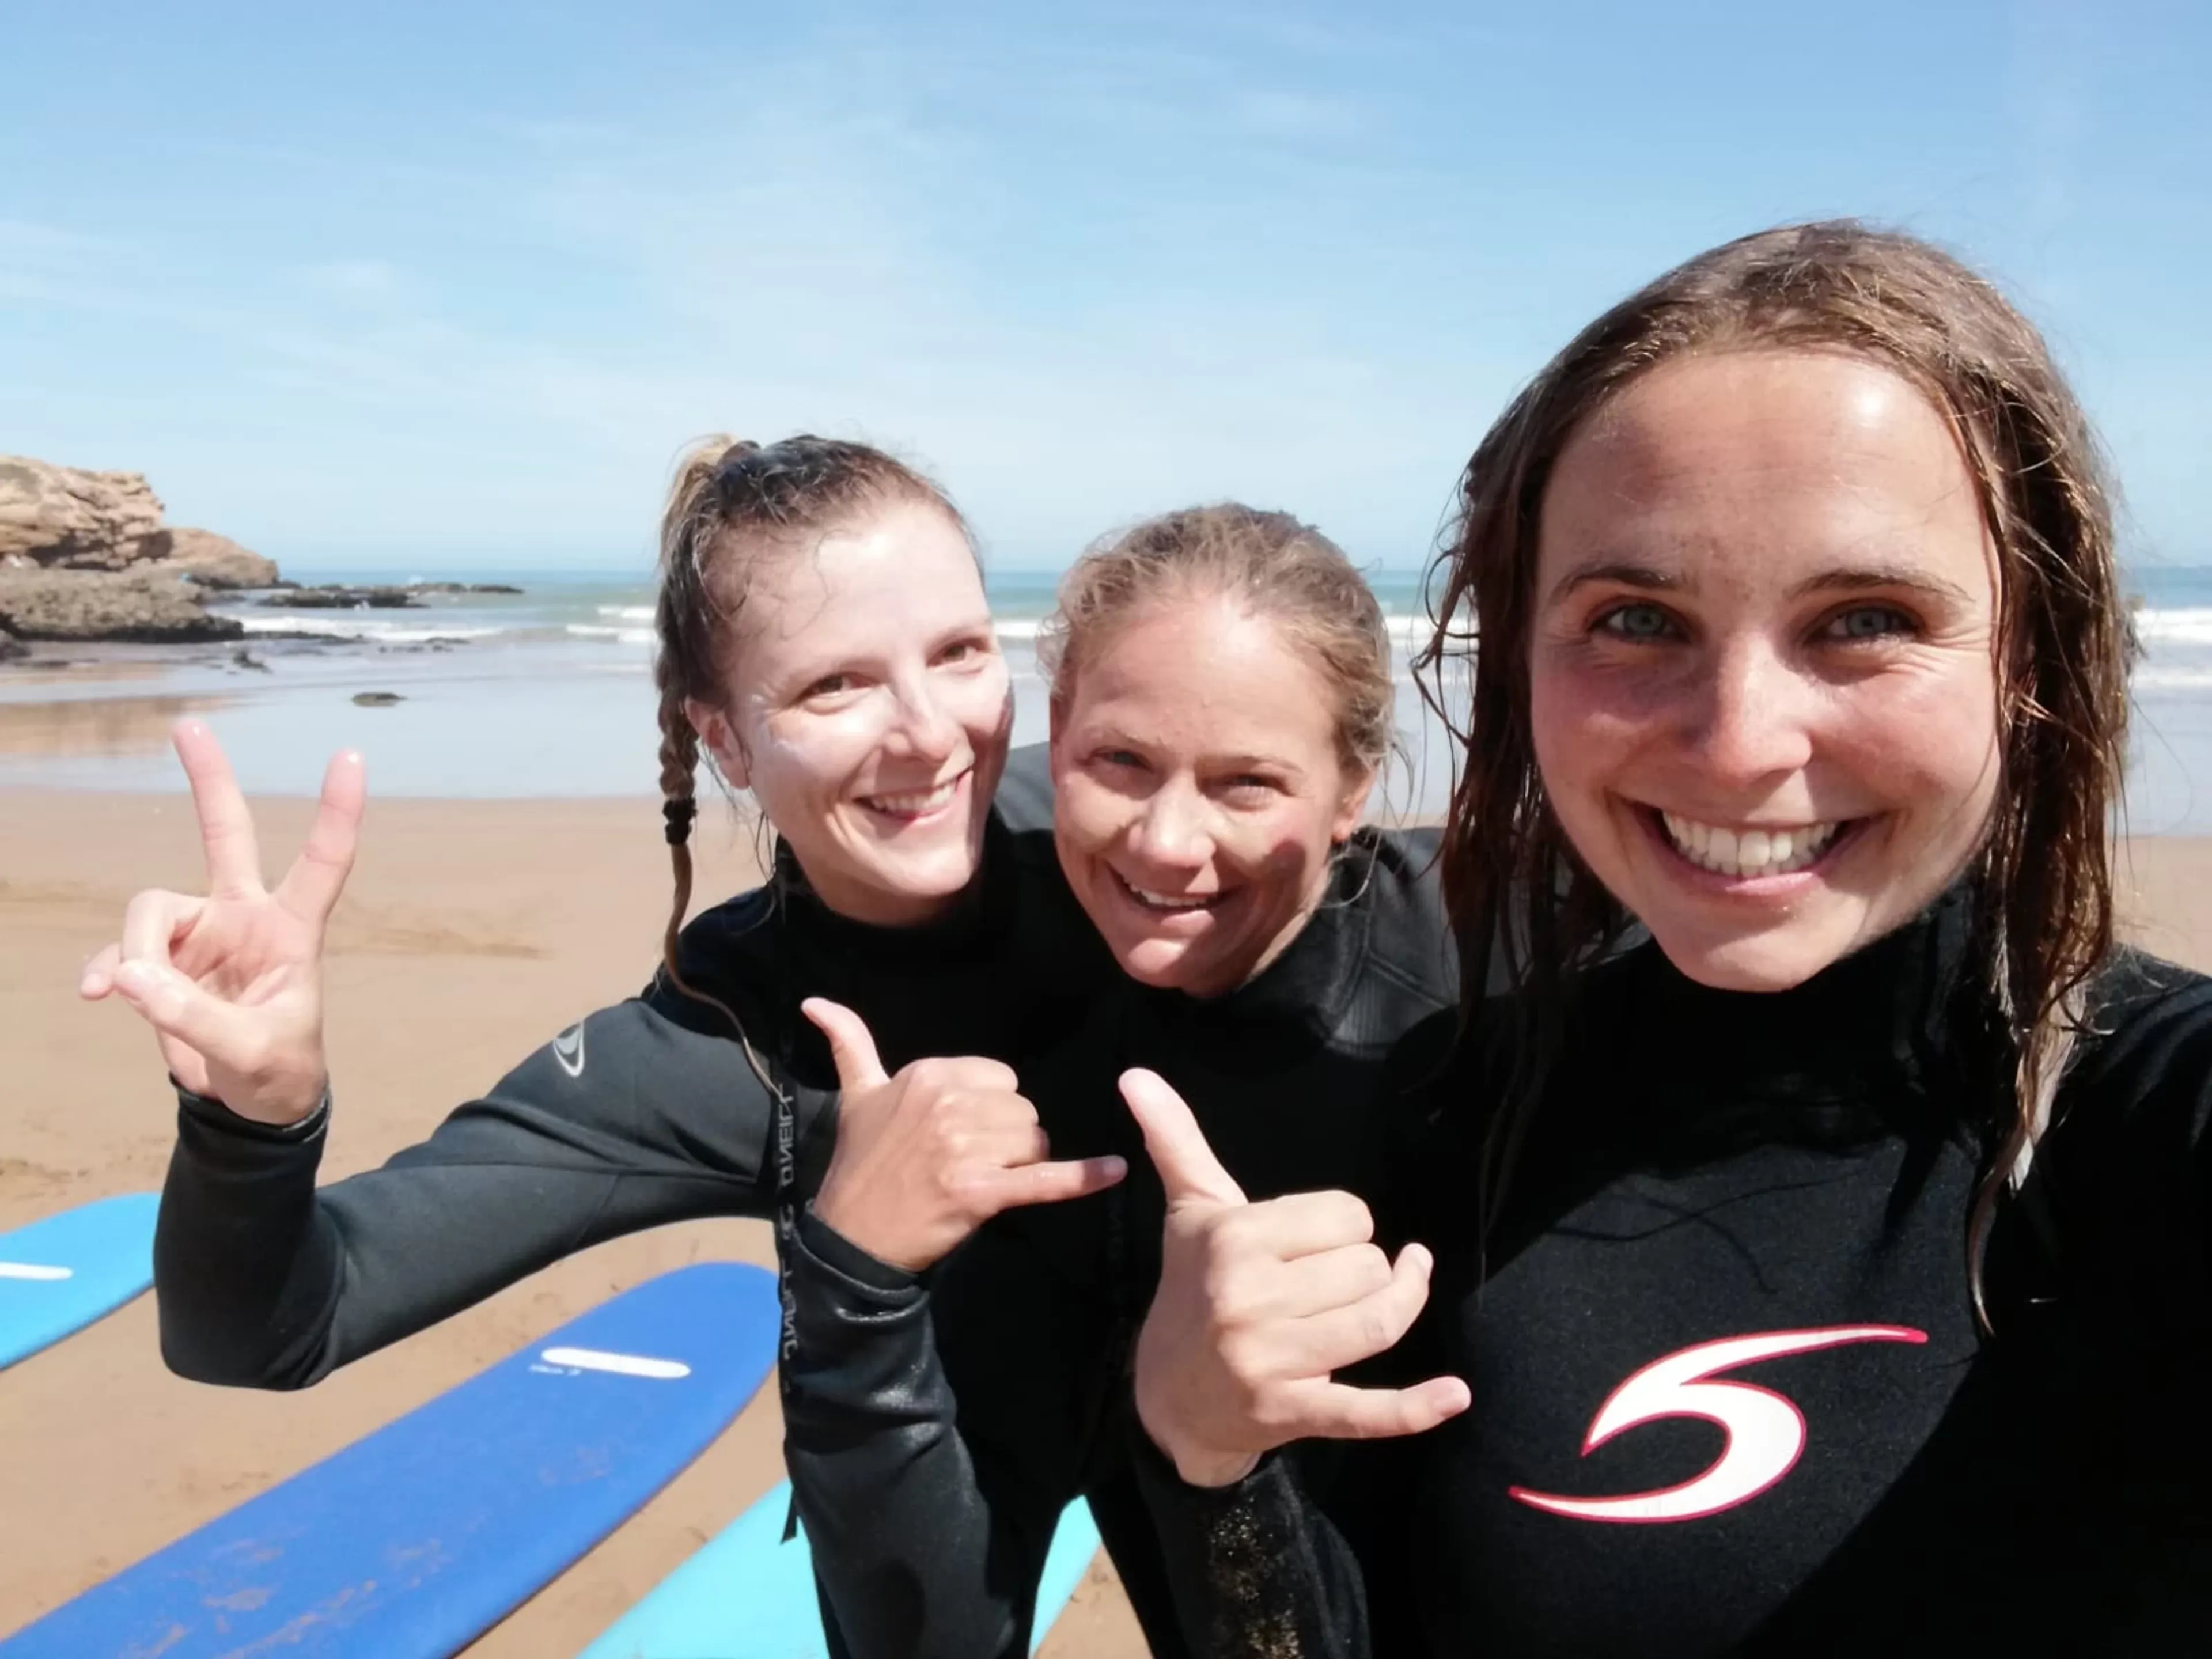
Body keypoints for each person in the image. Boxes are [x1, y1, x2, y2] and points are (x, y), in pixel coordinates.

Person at [1128, 221, 2212, 1656]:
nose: (1741, 745)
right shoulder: (1453, 1119)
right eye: (1637, 618)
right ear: (1521, 659)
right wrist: (1208, 1451)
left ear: (2029, 662)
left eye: (1865, 619)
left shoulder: (2138, 1113)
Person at [78, 433, 1124, 1399]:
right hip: (957, 1504)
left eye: (960, 652)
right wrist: (252, 1123)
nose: (931, 734)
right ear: (727, 745)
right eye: (835, 684)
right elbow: (263, 1332)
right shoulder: (710, 1051)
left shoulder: (1140, 836)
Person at [774, 505, 1461, 1658]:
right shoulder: (1003, 1059)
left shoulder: (1490, 974)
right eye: (1120, 762)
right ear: (1060, 728)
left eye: (1248, 784)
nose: (1164, 844)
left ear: (1354, 790)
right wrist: (852, 1282)